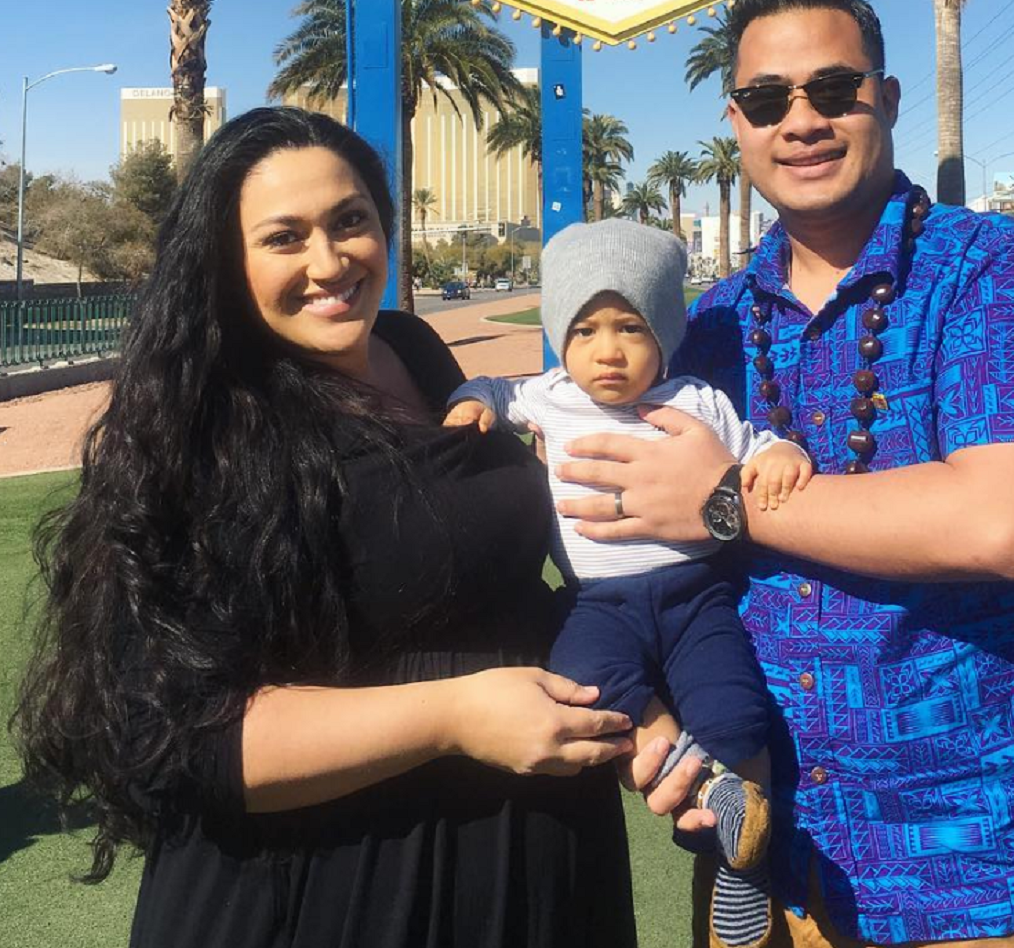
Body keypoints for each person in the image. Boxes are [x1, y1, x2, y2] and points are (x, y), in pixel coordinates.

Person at [554, 0, 1014, 948]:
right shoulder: (710, 326)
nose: (801, 120)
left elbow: (1001, 525)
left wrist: (723, 500)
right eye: (768, 99)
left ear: (884, 98)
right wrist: (660, 720)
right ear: (737, 122)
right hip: (764, 863)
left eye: (834, 89)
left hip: (974, 872)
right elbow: (645, 551)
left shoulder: (999, 270)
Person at [14, 107, 640, 948]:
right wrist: (452, 716)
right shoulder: (210, 428)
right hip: (340, 888)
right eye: (285, 237)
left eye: (350, 221)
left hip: (530, 861)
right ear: (226, 260)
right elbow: (180, 738)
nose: (329, 262)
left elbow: (471, 557)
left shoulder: (410, 345)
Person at [446, 219, 814, 948]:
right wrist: (474, 404)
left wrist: (782, 454)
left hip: (694, 595)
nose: (607, 350)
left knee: (737, 714)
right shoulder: (548, 395)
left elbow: (756, 446)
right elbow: (490, 386)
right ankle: (713, 796)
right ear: (560, 337)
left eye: (630, 327)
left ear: (665, 334)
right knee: (584, 688)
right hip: (601, 603)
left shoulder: (696, 401)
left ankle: (743, 859)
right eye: (584, 330)